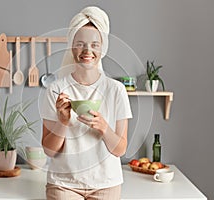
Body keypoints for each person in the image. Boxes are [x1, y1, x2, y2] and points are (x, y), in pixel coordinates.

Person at [40, 6, 132, 200]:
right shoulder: (56, 89)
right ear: (72, 46)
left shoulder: (116, 90)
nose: (87, 51)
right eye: (80, 43)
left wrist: (104, 128)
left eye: (95, 44)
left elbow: (120, 149)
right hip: (63, 184)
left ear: (102, 48)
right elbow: (49, 150)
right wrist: (62, 122)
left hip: (107, 183)